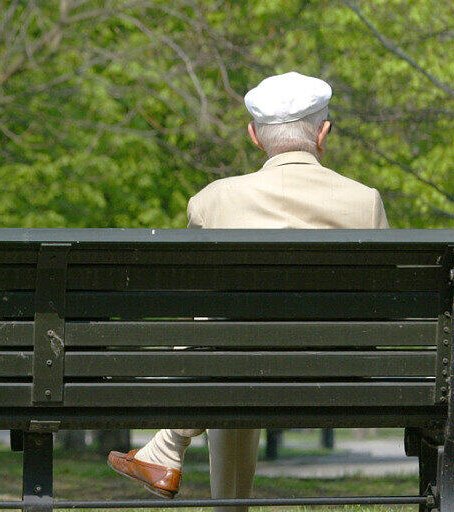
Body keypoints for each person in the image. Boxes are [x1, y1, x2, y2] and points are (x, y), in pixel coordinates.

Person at [106, 72, 389, 511]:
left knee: (225, 342)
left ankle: (172, 447)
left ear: (255, 136)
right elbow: (381, 309)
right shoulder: (364, 201)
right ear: (323, 132)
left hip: (235, 374)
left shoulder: (213, 201)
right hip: (337, 377)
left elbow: (194, 306)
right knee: (233, 344)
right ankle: (167, 446)